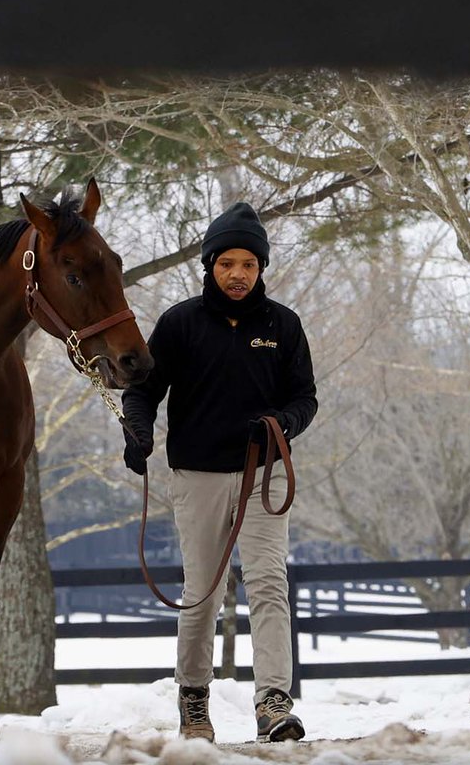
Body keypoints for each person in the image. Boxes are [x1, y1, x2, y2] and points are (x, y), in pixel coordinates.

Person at [122, 202, 317, 743]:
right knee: (202, 592)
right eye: (227, 263)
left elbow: (305, 398)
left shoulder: (283, 324)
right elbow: (142, 392)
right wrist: (138, 433)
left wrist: (282, 423)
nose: (237, 274)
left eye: (248, 264)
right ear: (209, 265)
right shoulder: (179, 323)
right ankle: (193, 700)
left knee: (268, 583)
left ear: (261, 268)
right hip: (197, 475)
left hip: (264, 475)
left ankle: (273, 702)